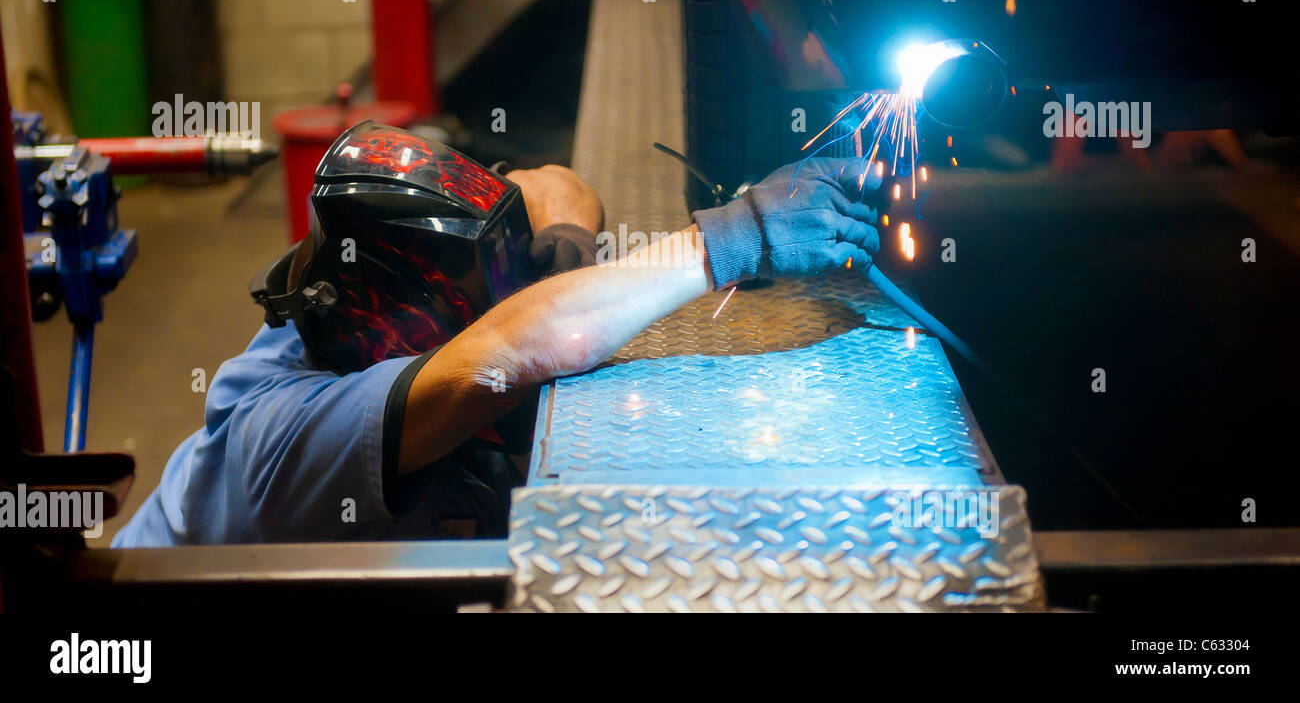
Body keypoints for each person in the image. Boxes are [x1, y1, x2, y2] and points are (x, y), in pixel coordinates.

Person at [113, 122, 884, 545]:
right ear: (404, 322)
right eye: (480, 298)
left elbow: (556, 184)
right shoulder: (282, 433)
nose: (500, 303)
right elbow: (508, 349)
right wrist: (730, 238)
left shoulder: (365, 291)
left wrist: (559, 255)